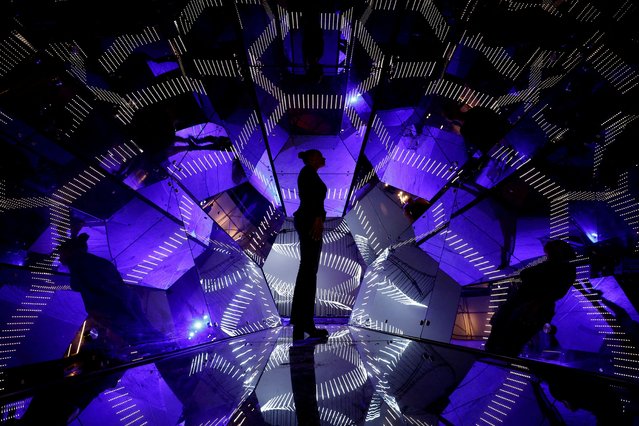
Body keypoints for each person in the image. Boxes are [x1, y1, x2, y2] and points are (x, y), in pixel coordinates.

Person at [58, 233, 164, 359]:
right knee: (144, 331)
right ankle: (163, 349)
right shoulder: (94, 261)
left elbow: (76, 285)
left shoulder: (80, 265)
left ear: (70, 251)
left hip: (116, 308)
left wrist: (105, 313)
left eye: (61, 253)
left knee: (138, 334)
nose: (60, 258)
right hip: (124, 302)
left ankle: (161, 352)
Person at [485, 239, 576, 357]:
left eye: (549, 253)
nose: (547, 256)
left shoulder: (562, 269)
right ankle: (497, 354)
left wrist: (534, 305)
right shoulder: (554, 267)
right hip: (525, 305)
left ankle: (498, 355)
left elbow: (554, 291)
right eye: (547, 253)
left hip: (531, 307)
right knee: (506, 333)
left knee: (511, 335)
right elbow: (527, 274)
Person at [290, 149, 330, 342]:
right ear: (313, 158)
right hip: (309, 221)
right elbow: (310, 199)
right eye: (320, 156)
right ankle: (304, 323)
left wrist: (318, 217)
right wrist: (317, 219)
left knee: (307, 270)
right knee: (308, 270)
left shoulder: (309, 174)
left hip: (308, 220)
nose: (324, 158)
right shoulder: (307, 173)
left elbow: (312, 199)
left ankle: (302, 323)